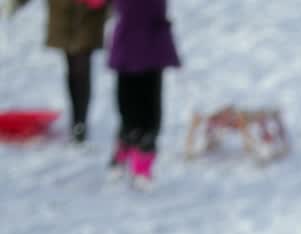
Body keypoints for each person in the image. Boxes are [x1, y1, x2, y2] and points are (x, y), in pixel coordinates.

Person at [10, 0, 110, 144]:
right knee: (72, 64)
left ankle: (80, 123)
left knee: (80, 63)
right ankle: (77, 121)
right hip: (64, 9)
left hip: (88, 11)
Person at [106, 0, 180, 186]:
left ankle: (142, 160)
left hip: (150, 38)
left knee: (147, 107)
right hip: (131, 39)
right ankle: (127, 145)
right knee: (128, 103)